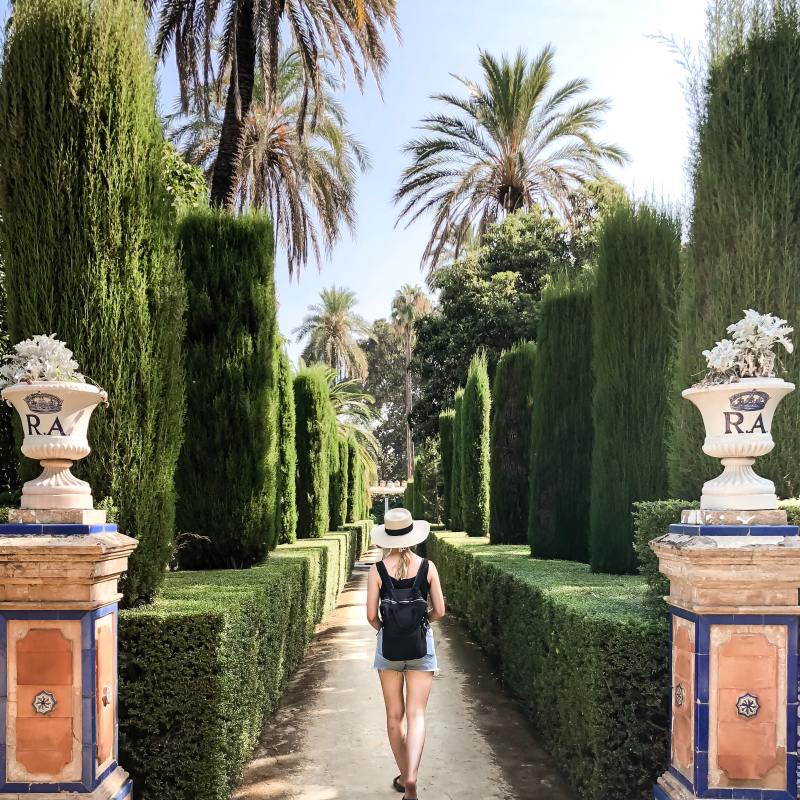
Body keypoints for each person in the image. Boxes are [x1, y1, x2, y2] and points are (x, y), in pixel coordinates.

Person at [367, 507, 446, 800]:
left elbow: (371, 616)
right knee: (416, 715)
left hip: (388, 648)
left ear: (387, 537)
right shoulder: (428, 567)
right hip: (420, 646)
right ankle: (411, 776)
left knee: (394, 717)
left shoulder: (377, 570)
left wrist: (386, 630)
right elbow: (440, 611)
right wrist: (422, 624)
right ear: (412, 536)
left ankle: (403, 775)